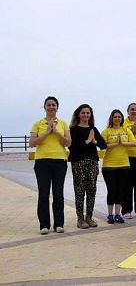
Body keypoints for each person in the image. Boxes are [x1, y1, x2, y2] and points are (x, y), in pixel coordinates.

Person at [29, 96, 72, 235]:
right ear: (45, 107)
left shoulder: (63, 123)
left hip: (60, 161)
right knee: (43, 194)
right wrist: (47, 132)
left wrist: (56, 132)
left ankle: (59, 224)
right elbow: (32, 143)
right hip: (42, 162)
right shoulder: (38, 123)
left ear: (57, 107)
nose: (51, 107)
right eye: (49, 105)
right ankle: (44, 225)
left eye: (54, 105)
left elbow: (68, 142)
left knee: (58, 193)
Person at [68, 104, 107, 229]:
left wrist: (94, 141)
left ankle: (89, 217)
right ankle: (80, 218)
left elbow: (103, 144)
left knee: (92, 189)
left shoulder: (93, 129)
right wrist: (87, 141)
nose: (86, 115)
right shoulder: (73, 130)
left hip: (92, 162)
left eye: (88, 113)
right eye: (83, 113)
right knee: (80, 190)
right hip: (78, 162)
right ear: (78, 114)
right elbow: (72, 147)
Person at [101, 109, 136, 224]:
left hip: (124, 164)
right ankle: (110, 214)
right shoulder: (106, 131)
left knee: (121, 190)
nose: (117, 119)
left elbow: (134, 143)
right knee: (111, 190)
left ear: (121, 119)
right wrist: (116, 143)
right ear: (112, 118)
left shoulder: (126, 130)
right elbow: (102, 145)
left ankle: (118, 214)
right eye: (115, 117)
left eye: (119, 117)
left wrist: (122, 143)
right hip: (109, 166)